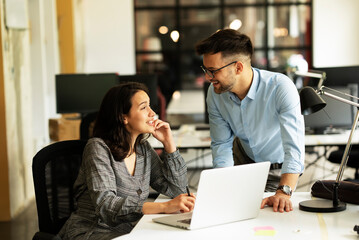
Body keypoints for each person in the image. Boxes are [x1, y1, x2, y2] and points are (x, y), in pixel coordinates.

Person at [58, 82, 195, 240]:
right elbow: (106, 205)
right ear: (123, 117)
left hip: (127, 230)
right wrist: (164, 207)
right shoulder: (98, 148)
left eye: (150, 106)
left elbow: (177, 190)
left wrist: (169, 145)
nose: (152, 113)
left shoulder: (143, 148)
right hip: (90, 231)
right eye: (144, 108)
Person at [195, 29, 305, 213]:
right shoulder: (215, 94)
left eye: (213, 71)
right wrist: (224, 186)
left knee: (274, 219)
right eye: (206, 70)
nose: (208, 77)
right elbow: (221, 145)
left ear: (238, 67)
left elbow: (294, 148)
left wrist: (284, 192)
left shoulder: (280, 87)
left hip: (279, 170)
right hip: (242, 163)